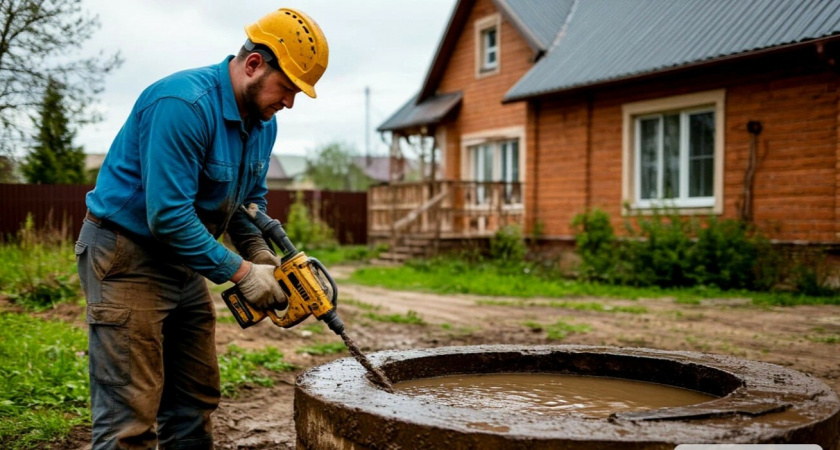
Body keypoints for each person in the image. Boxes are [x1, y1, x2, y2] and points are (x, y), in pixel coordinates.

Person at [75, 7, 328, 449]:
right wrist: (244, 275)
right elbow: (168, 215)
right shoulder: (182, 104)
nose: (288, 102)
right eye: (286, 88)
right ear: (253, 65)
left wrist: (263, 258)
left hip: (184, 259)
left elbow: (248, 204)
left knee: (194, 397)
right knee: (128, 418)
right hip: (126, 256)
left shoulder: (262, 123)